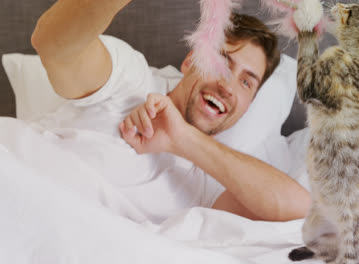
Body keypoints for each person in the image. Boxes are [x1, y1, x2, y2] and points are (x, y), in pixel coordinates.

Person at [31, 0, 311, 222]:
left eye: (246, 82)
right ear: (190, 60)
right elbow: (53, 44)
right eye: (222, 62)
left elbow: (299, 207)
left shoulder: (212, 175)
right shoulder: (131, 80)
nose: (228, 86)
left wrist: (182, 139)